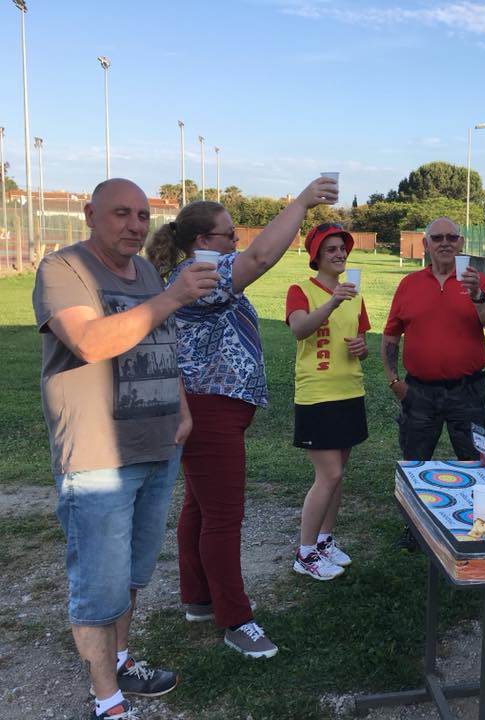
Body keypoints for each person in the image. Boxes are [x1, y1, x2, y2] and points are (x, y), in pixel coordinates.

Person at [33, 178, 219, 720]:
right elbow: (90, 342)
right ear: (90, 213)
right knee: (99, 582)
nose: (135, 225)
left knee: (133, 574)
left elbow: (162, 341)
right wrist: (173, 296)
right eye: (121, 213)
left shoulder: (145, 271)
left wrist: (181, 408)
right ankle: (106, 697)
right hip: (97, 456)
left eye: (142, 215)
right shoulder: (63, 270)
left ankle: (120, 658)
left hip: (159, 445)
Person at [145, 176, 337, 659]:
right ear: (203, 243)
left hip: (214, 408)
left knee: (201, 508)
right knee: (224, 517)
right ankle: (236, 619)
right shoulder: (201, 276)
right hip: (209, 410)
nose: (236, 241)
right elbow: (260, 259)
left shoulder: (195, 276)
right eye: (229, 234)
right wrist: (303, 199)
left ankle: (198, 598)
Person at [381, 217, 485, 548]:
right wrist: (392, 379)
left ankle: (480, 523)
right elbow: (391, 334)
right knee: (415, 463)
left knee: (478, 461)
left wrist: (478, 296)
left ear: (461, 244)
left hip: (468, 392)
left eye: (452, 237)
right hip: (419, 392)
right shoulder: (409, 284)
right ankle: (415, 529)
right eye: (438, 238)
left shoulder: (478, 282)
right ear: (426, 244)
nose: (445, 243)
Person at [286, 224, 370, 580]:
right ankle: (304, 553)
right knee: (328, 473)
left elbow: (360, 341)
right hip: (317, 396)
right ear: (316, 256)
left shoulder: (357, 295)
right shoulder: (300, 290)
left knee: (338, 477)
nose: (340, 255)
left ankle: (324, 540)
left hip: (350, 391)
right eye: (331, 249)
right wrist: (334, 300)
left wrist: (361, 348)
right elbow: (300, 329)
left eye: (342, 249)